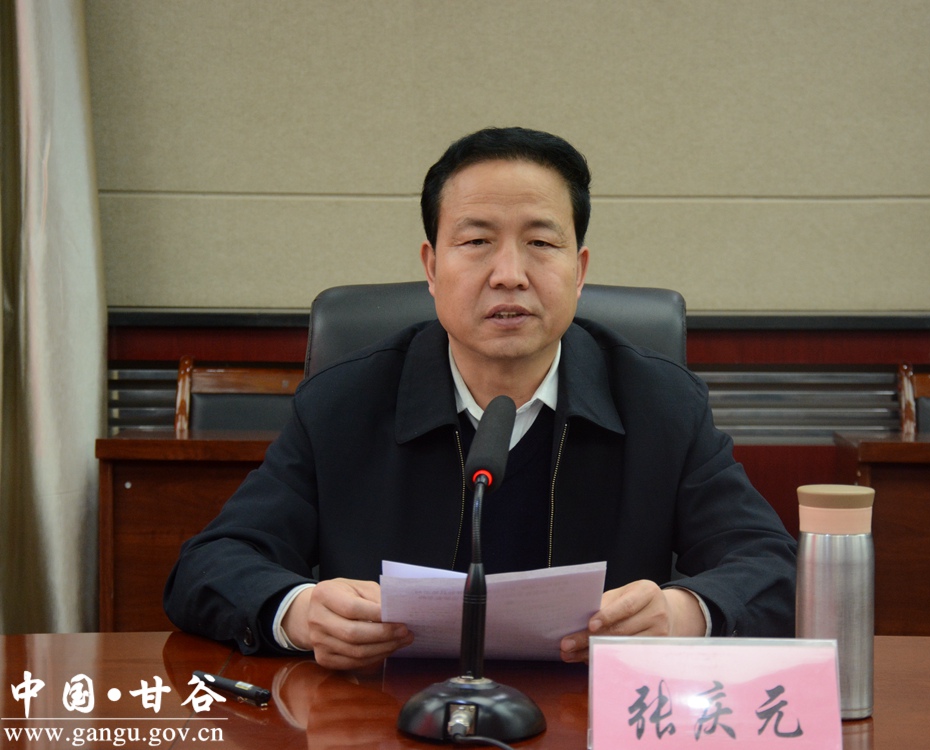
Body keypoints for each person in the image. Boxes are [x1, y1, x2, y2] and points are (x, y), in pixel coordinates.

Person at [164, 127, 797, 670]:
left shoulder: (661, 404)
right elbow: (211, 563)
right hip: (385, 716)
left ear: (579, 271)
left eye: (541, 243)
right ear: (431, 267)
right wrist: (299, 613)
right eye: (476, 242)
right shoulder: (342, 404)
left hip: (590, 716)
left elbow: (772, 565)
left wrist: (683, 614)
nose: (509, 274)